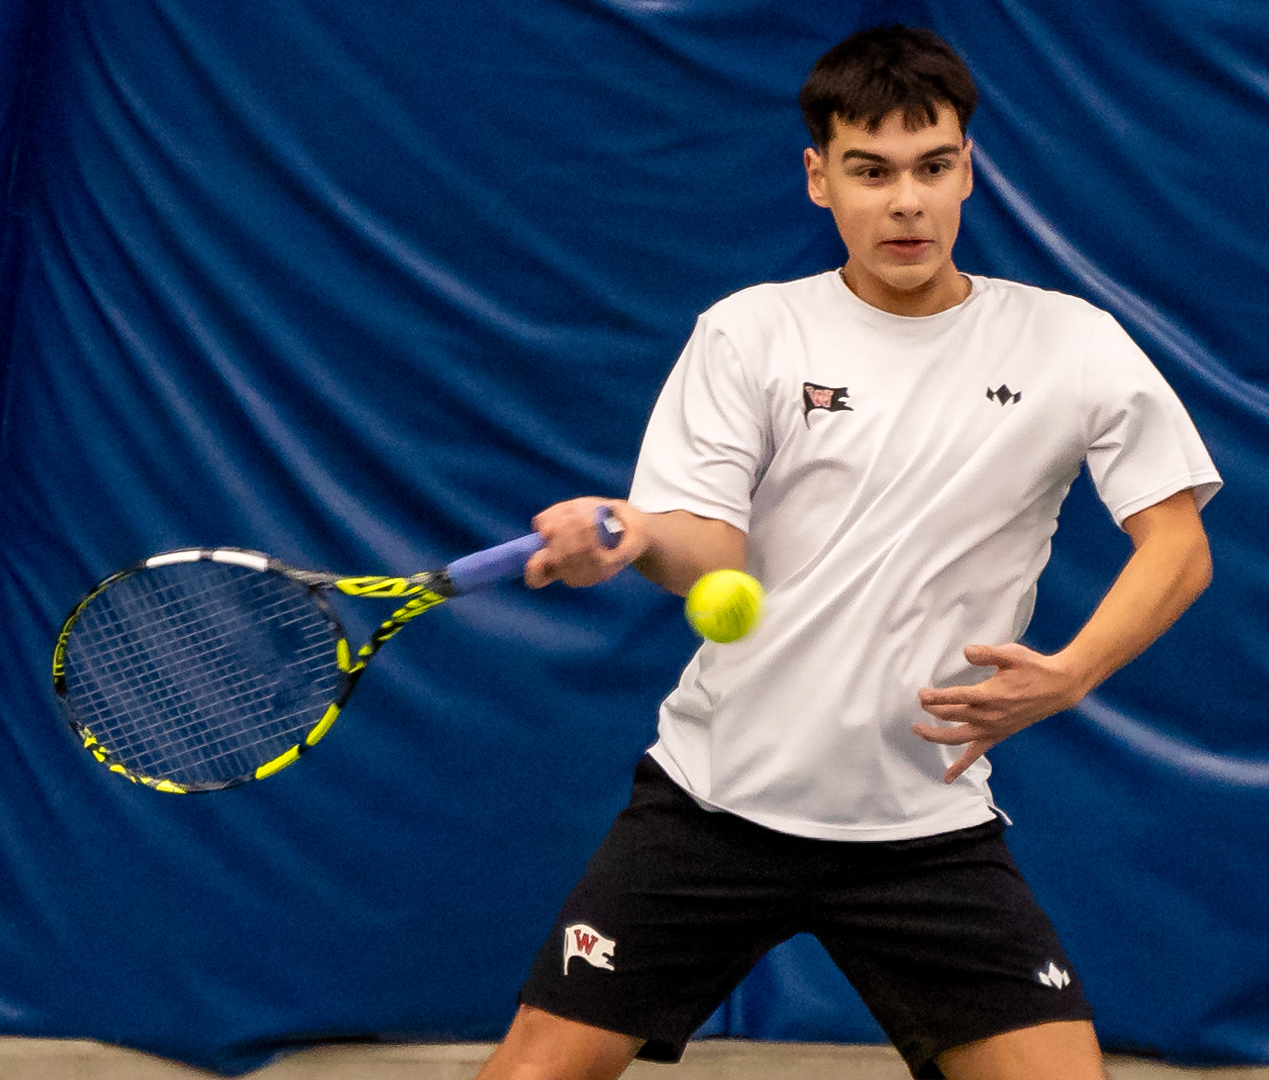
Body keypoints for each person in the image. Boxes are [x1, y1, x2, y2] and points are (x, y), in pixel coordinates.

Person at [476, 24, 1220, 1080]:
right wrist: (636, 535)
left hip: (925, 827)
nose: (906, 202)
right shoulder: (751, 332)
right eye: (870, 172)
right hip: (714, 804)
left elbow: (1177, 544)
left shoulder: (1069, 342)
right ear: (817, 177)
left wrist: (1071, 674)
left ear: (968, 170)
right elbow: (707, 549)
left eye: (932, 167)